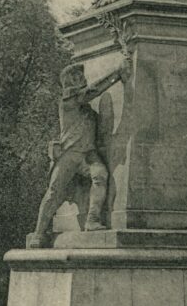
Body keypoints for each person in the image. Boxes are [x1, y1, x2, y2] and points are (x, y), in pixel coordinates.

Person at [28, 58, 130, 248]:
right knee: (53, 192)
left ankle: (92, 220)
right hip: (70, 154)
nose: (81, 77)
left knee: (100, 175)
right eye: (76, 76)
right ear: (68, 82)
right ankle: (38, 232)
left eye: (81, 74)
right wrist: (117, 73)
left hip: (88, 155)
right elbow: (92, 91)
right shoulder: (67, 101)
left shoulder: (90, 113)